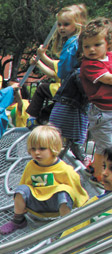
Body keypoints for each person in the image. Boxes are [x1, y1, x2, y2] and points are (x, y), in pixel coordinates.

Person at [0, 125, 89, 235]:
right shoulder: (31, 166)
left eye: (42, 149)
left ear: (53, 148)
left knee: (64, 191)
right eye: (33, 149)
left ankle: (66, 225)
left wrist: (84, 203)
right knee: (21, 189)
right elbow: (24, 184)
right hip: (37, 204)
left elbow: (76, 190)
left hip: (55, 206)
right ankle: (18, 220)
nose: (37, 152)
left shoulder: (64, 169)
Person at [37, 4, 89, 164]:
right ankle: (70, 157)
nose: (61, 28)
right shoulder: (75, 43)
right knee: (70, 131)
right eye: (59, 24)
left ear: (78, 24)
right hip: (74, 94)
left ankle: (55, 160)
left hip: (71, 94)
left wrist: (42, 57)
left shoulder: (73, 44)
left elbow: (62, 70)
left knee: (57, 127)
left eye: (66, 24)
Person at [79, 17, 112, 187]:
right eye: (86, 46)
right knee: (107, 146)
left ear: (108, 44)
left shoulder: (109, 58)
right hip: (102, 112)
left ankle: (94, 169)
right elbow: (107, 79)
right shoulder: (90, 64)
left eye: (97, 44)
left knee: (103, 145)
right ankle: (100, 178)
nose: (91, 49)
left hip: (109, 110)